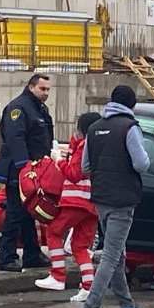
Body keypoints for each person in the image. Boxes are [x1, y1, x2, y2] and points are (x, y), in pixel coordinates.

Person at [77, 84, 153, 308]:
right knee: (110, 257)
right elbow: (141, 164)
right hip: (123, 200)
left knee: (117, 255)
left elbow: (85, 167)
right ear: (132, 105)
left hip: (101, 199)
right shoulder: (130, 128)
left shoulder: (95, 128)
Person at [0, 73, 55, 271]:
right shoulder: (19, 108)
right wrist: (24, 166)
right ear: (31, 87)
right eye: (42, 89)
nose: (46, 93)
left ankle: (32, 253)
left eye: (48, 90)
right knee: (15, 212)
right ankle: (6, 257)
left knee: (29, 212)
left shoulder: (39, 109)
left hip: (34, 169)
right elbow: (15, 138)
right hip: (18, 170)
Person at [38, 111, 99, 297]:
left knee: (53, 231)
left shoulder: (84, 147)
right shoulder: (99, 146)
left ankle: (57, 276)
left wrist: (59, 160)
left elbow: (74, 173)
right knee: (80, 246)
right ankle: (89, 286)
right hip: (93, 204)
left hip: (76, 200)